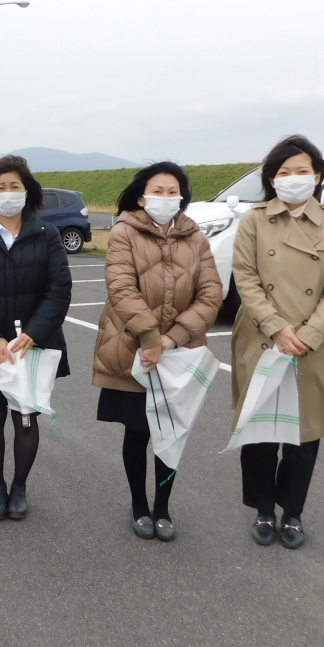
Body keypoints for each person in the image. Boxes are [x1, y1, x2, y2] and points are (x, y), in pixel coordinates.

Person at [231, 135, 324, 549]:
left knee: (304, 434)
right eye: (283, 172)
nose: (293, 179)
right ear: (271, 178)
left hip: (311, 343)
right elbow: (245, 277)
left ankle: (294, 513)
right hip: (262, 338)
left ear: (317, 176)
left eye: (302, 171)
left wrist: (308, 333)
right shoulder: (254, 219)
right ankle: (264, 509)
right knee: (261, 428)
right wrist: (276, 327)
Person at [92, 162, 222, 542]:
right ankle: (138, 504)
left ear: (182, 197)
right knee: (138, 431)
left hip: (178, 353)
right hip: (133, 348)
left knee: (171, 432)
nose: (166, 198)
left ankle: (163, 506)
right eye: (158, 191)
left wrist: (170, 340)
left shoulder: (195, 237)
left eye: (173, 191)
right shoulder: (123, 232)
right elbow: (121, 287)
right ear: (141, 196)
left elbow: (211, 293)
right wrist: (150, 339)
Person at [0, 155, 71, 521]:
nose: (8, 193)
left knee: (25, 417)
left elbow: (59, 289)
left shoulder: (46, 234)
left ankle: (19, 486)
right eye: (0, 187)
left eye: (15, 186)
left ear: (28, 191)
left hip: (32, 344)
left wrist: (35, 333)